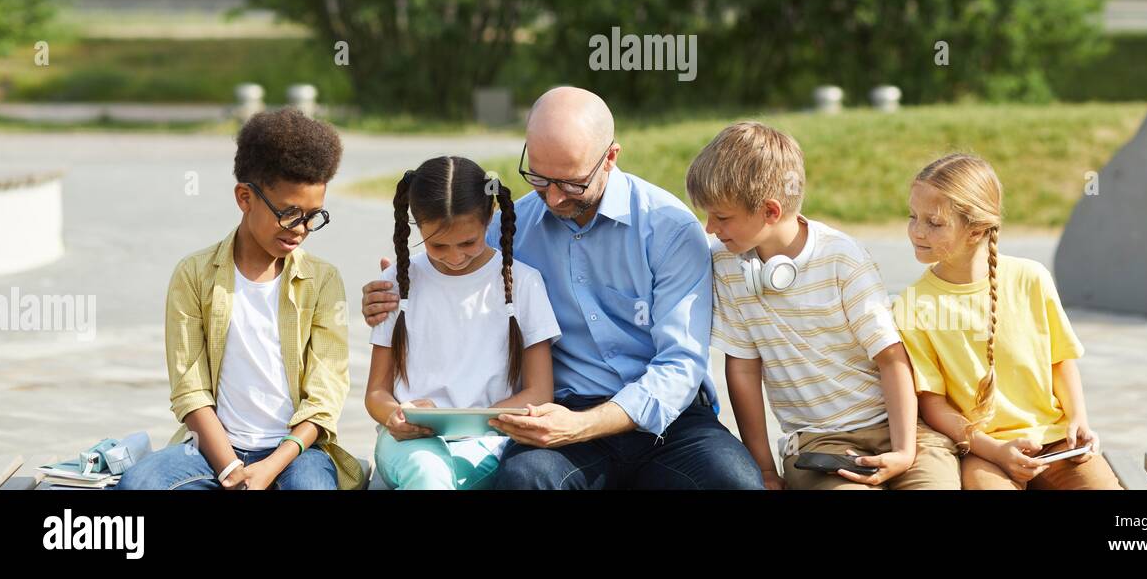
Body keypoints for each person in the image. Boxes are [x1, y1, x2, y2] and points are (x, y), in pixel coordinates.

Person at [362, 86, 762, 489]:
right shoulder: (511, 230)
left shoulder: (669, 229)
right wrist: (392, 295)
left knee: (734, 482)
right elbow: (452, 277)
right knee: (525, 480)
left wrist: (585, 426)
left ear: (610, 157)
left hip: (667, 423)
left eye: (571, 183)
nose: (552, 198)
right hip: (558, 413)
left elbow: (680, 367)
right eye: (538, 177)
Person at [687, 120, 961, 490]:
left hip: (899, 430)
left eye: (721, 217)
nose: (709, 228)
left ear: (769, 211)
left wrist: (904, 451)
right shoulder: (726, 264)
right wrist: (765, 469)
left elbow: (890, 357)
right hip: (820, 445)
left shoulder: (841, 258)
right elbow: (743, 371)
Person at [118, 108, 360, 490]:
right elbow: (190, 390)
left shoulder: (323, 280)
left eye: (314, 216)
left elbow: (326, 396)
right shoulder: (194, 274)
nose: (301, 230)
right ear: (245, 197)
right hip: (211, 450)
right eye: (290, 213)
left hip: (296, 452)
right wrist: (232, 470)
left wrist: (269, 468)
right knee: (138, 485)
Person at [894, 152, 1122, 490]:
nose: (917, 231)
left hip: (1059, 444)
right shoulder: (913, 304)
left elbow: (1060, 360)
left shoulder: (1032, 278)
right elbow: (933, 404)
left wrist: (1078, 420)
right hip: (985, 453)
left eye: (934, 222)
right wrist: (997, 451)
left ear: (977, 230)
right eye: (913, 217)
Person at [365, 156, 560, 489]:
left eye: (468, 242)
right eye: (438, 245)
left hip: (489, 439)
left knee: (439, 475)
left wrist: (485, 419)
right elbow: (376, 393)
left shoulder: (524, 284)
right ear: (416, 224)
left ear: (490, 218)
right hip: (407, 442)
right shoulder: (396, 282)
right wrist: (395, 415)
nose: (454, 257)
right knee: (427, 471)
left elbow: (540, 392)